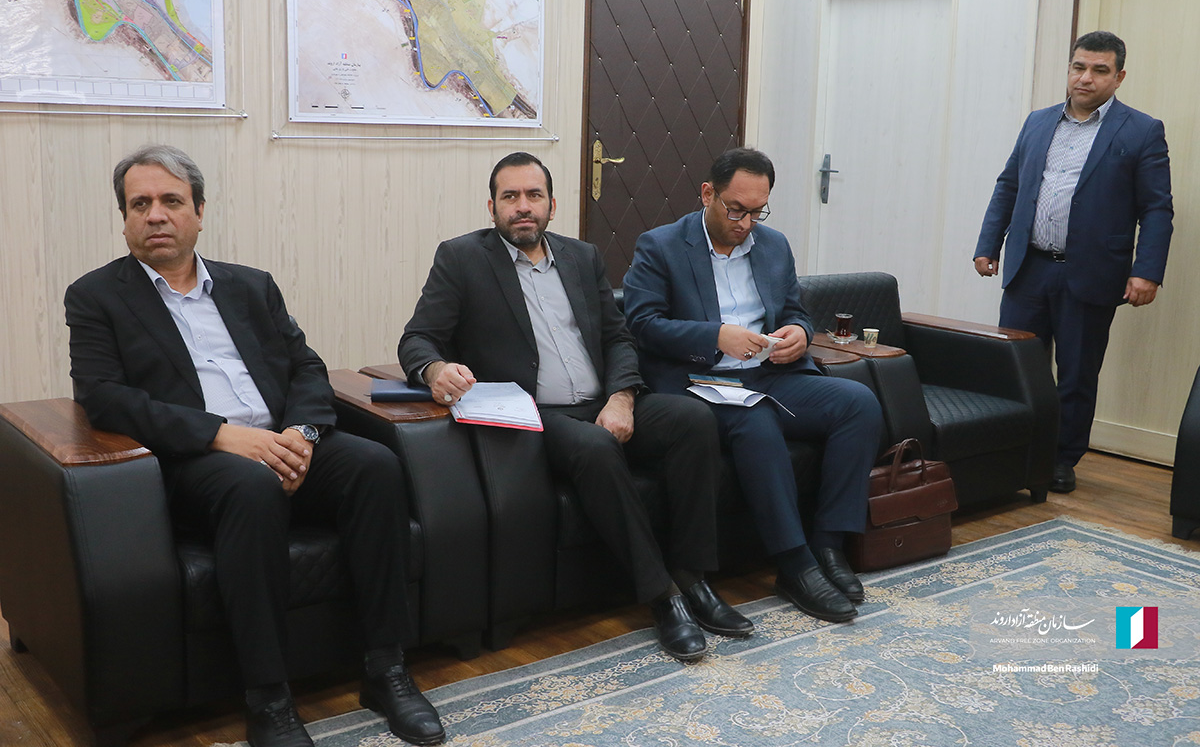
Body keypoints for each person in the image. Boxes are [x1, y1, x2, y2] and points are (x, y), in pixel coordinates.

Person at [65, 145, 444, 747]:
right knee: (252, 487)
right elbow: (105, 398)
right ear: (125, 219)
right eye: (140, 204)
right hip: (198, 461)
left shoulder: (250, 285)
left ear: (199, 212)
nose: (156, 215)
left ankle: (386, 669)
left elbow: (306, 367)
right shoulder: (96, 297)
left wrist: (301, 434)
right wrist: (220, 434)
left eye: (171, 201)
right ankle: (269, 698)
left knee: (374, 466)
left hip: (284, 440)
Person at [398, 152, 752, 662]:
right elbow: (417, 339)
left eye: (534, 195)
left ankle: (694, 577)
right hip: (537, 415)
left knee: (693, 419)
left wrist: (622, 397)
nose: (523, 206)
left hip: (604, 400)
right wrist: (435, 370)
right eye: (510, 197)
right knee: (595, 447)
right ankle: (662, 596)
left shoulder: (582, 257)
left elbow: (618, 337)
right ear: (492, 207)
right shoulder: (462, 258)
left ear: (552, 204)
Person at [622, 147, 883, 624]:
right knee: (755, 420)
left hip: (769, 374)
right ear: (708, 194)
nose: (745, 223)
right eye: (736, 209)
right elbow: (642, 324)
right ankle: (795, 565)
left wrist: (799, 333)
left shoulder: (773, 245)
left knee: (858, 403)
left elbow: (795, 311)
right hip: (701, 382)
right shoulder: (660, 246)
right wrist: (715, 336)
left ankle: (828, 546)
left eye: (757, 211)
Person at [974, 31, 1173, 494]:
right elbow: (1009, 185)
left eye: (1099, 70)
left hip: (1091, 273)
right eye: (1078, 67)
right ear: (1069, 69)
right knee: (1016, 366)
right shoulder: (1038, 121)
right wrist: (989, 244)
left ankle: (1061, 458)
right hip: (1028, 267)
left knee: (1077, 374)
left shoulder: (1141, 130)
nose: (1086, 78)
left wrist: (1146, 271)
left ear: (1118, 77)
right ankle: (1015, 450)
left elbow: (1156, 208)